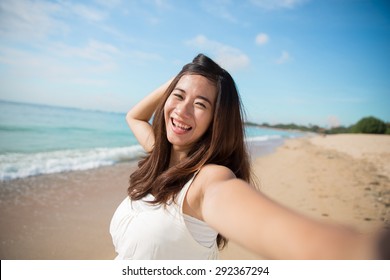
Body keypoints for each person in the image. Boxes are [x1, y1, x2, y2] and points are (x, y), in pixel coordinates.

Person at [110, 53, 389, 260]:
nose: (182, 112)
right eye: (178, 97)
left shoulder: (207, 181)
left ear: (217, 120)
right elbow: (134, 116)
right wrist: (185, 78)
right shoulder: (161, 155)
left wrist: (363, 253)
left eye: (200, 104)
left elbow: (278, 232)